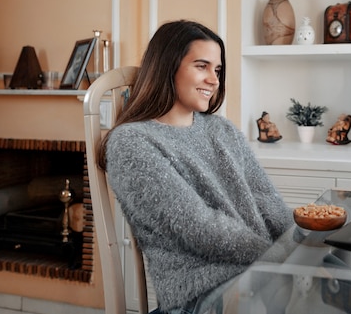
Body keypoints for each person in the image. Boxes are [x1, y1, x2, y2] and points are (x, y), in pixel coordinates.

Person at [98, 20, 294, 314]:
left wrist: (302, 246)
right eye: (201, 66)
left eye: (217, 70)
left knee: (341, 282)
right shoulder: (132, 143)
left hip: (259, 273)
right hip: (201, 296)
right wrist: (279, 259)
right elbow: (198, 228)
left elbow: (268, 202)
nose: (214, 80)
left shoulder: (221, 130)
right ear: (168, 67)